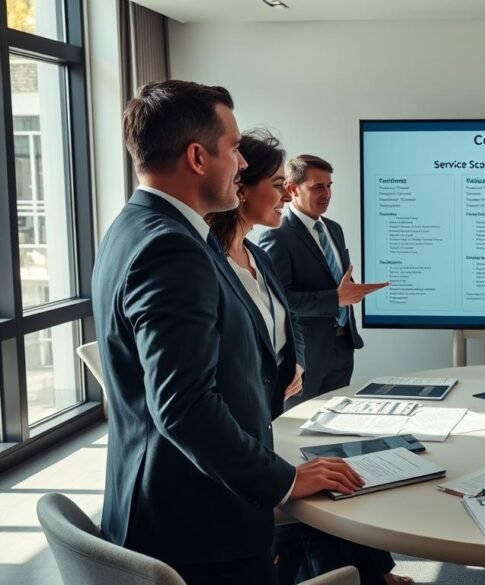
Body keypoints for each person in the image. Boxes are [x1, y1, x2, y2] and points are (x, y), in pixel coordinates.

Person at [93, 81, 364, 585]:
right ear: (198, 157)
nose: (241, 164)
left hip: (178, 507)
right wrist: (283, 481)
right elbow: (184, 407)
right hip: (196, 527)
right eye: (234, 148)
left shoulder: (136, 227)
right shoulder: (172, 248)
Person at [205, 129, 411, 585]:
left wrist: (293, 363)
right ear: (241, 186)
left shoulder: (256, 252)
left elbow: (280, 313)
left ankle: (369, 571)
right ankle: (343, 572)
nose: (285, 195)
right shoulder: (222, 257)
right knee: (317, 471)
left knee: (337, 462)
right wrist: (333, 301)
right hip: (247, 427)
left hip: (318, 361)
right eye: (279, 185)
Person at [258, 154, 387, 409]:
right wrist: (336, 299)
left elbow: (335, 278)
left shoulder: (333, 228)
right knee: (302, 423)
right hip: (306, 355)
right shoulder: (277, 235)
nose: (326, 194)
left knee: (337, 418)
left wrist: (352, 291)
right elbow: (279, 300)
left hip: (343, 346)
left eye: (329, 186)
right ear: (292, 189)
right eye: (317, 187)